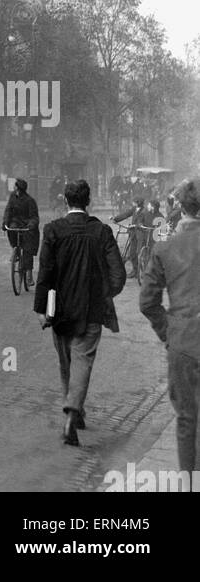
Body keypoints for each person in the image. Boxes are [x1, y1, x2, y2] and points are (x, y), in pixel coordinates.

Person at [34, 179, 126, 446]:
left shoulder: (53, 230)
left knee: (66, 363)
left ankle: (73, 408)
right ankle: (73, 412)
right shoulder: (101, 232)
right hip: (91, 311)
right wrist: (104, 294)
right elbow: (118, 274)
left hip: (60, 310)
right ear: (89, 202)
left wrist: (41, 309)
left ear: (65, 201)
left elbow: (45, 274)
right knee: (83, 361)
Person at [139, 176, 200, 475]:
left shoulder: (165, 247)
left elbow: (147, 302)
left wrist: (170, 332)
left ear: (182, 208)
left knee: (187, 419)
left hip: (184, 343)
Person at [2, 177, 40, 278]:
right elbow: (8, 210)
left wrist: (31, 225)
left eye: (15, 186)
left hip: (27, 224)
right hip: (16, 221)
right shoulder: (12, 197)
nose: (14, 188)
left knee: (28, 249)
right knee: (11, 229)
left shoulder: (30, 200)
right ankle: (15, 249)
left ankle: (29, 274)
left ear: (18, 188)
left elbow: (34, 217)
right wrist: (5, 222)